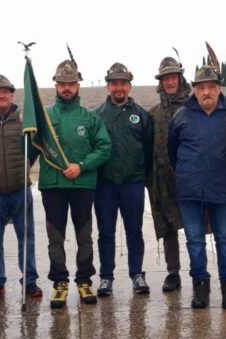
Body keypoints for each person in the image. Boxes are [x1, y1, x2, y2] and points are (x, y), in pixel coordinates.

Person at [27, 59, 111, 308]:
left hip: (82, 185)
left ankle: (84, 280)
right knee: (55, 238)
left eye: (71, 83)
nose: (67, 88)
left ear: (78, 85)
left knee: (84, 236)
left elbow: (104, 148)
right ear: (55, 84)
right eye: (62, 83)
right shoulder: (44, 117)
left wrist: (82, 166)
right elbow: (32, 148)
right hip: (52, 186)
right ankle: (60, 283)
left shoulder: (90, 118)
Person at [167, 62, 226, 309]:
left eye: (212, 87)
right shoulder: (181, 116)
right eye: (201, 87)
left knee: (225, 239)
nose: (206, 92)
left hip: (222, 190)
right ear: (194, 89)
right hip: (190, 190)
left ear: (219, 88)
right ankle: (200, 286)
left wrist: (224, 171)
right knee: (194, 240)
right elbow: (173, 152)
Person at [0, 74, 42, 300]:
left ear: (12, 94)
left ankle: (29, 280)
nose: (1, 95)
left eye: (6, 91)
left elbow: (35, 147)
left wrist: (23, 169)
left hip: (19, 188)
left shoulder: (24, 119)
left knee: (26, 236)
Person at [94, 63, 153, 296]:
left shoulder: (142, 115)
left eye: (123, 83)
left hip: (133, 183)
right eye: (114, 83)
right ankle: (106, 277)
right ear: (108, 86)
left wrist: (141, 176)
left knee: (134, 230)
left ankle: (137, 273)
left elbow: (148, 150)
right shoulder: (97, 116)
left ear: (129, 85)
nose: (119, 87)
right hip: (105, 185)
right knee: (105, 232)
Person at [147, 56, 191, 292]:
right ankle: (172, 272)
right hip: (163, 178)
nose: (170, 82)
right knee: (169, 228)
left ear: (180, 78)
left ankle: (199, 270)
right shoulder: (154, 114)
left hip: (190, 178)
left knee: (194, 225)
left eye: (173, 77)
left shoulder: (193, 107)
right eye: (166, 78)